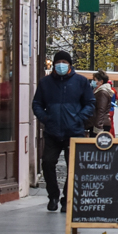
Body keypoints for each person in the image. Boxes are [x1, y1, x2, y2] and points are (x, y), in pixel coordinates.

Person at [32, 50, 95, 211]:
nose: (61, 65)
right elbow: (37, 103)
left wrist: (79, 117)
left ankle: (67, 198)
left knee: (73, 166)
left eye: (64, 62)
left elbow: (90, 103)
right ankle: (53, 195)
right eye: (58, 62)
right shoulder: (45, 83)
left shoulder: (80, 82)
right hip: (52, 131)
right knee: (47, 163)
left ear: (70, 64)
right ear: (54, 64)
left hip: (74, 131)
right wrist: (45, 118)